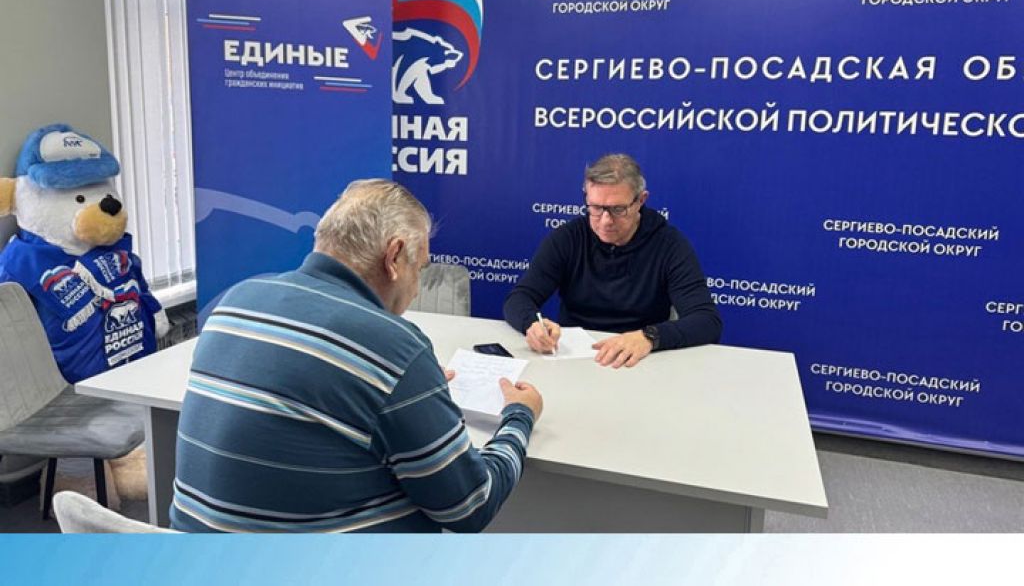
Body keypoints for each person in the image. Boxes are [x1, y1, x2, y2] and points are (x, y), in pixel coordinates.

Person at [171, 179, 543, 532]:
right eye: (419, 268)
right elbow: (470, 506)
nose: (417, 289)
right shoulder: (394, 348)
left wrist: (412, 392)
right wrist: (519, 416)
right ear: (394, 257)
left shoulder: (237, 300)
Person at [504, 154, 721, 368]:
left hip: (640, 360)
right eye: (596, 208)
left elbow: (707, 321)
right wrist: (532, 324)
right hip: (573, 360)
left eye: (618, 209)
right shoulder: (569, 238)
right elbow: (520, 298)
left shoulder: (669, 244)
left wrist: (649, 336)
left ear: (640, 201)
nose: (606, 221)